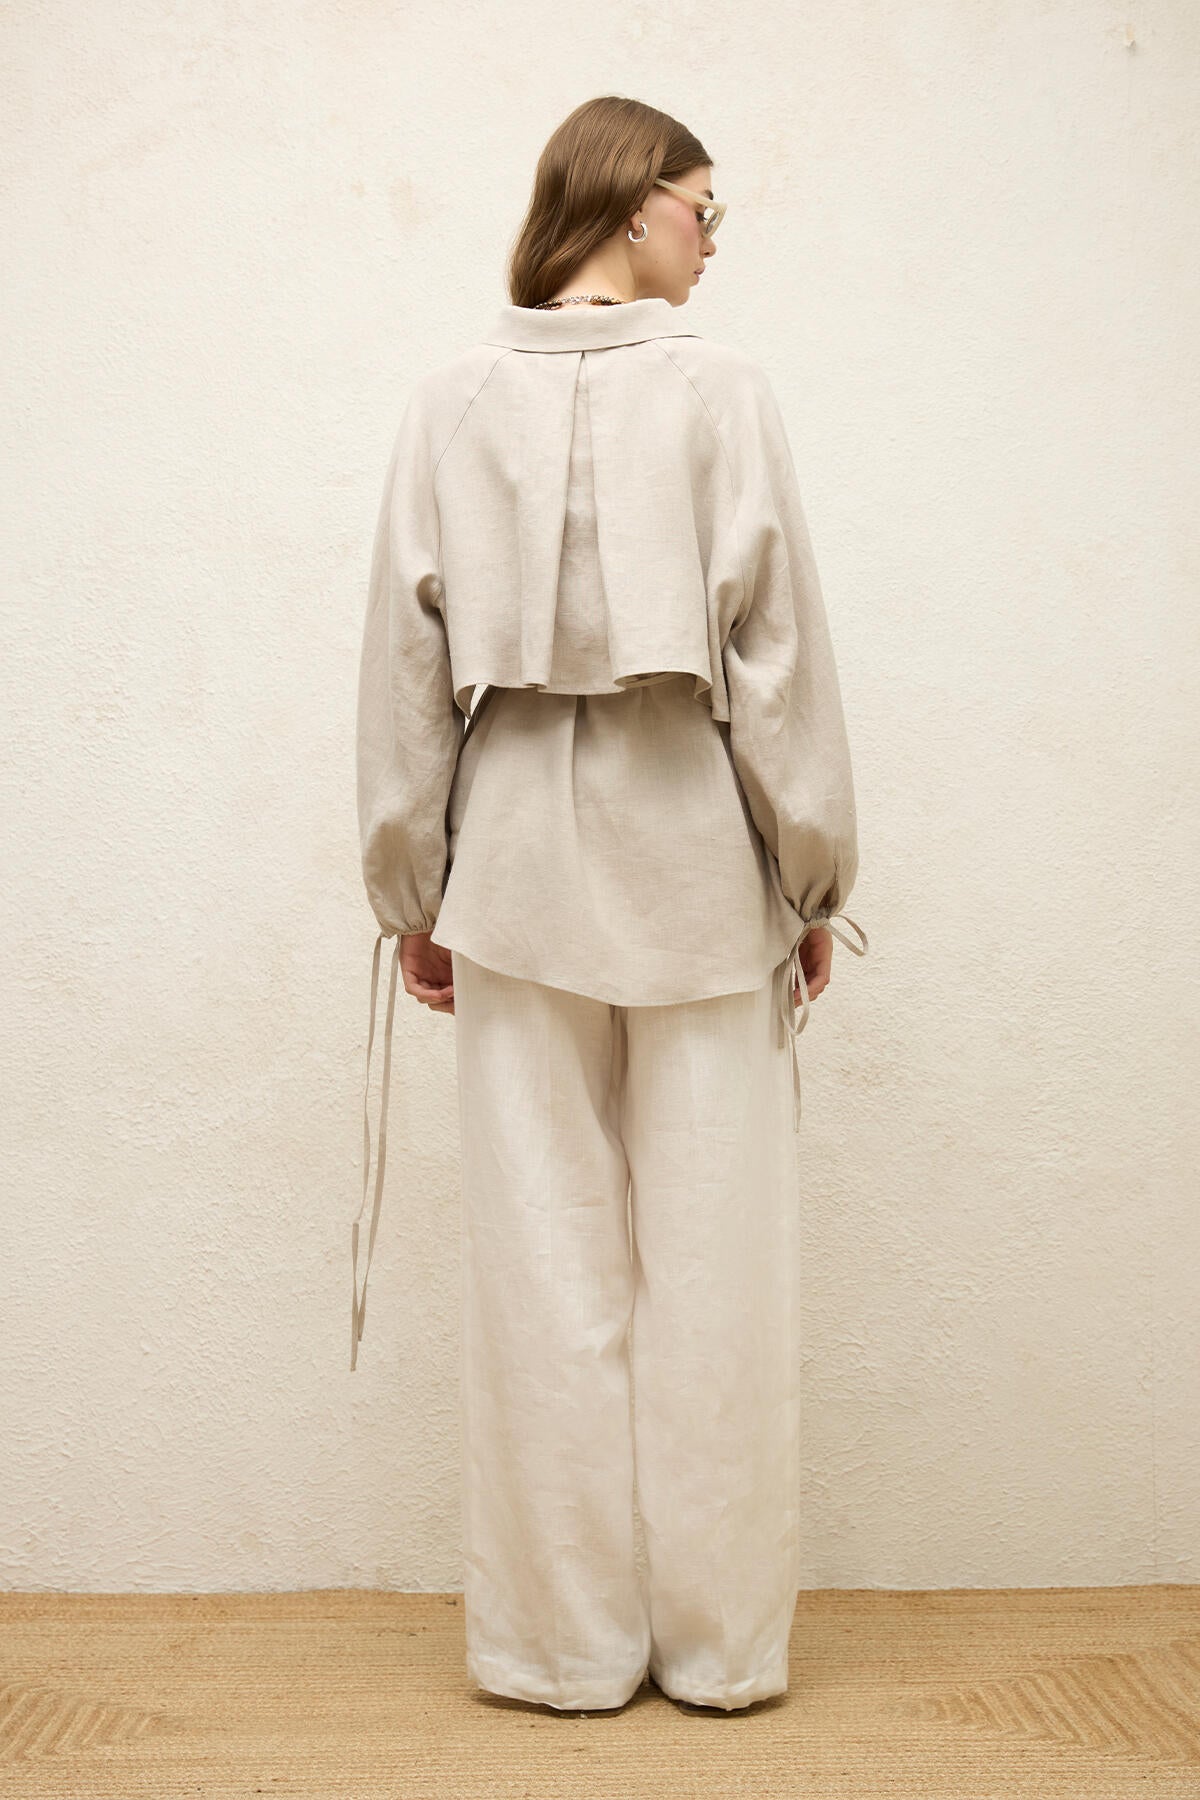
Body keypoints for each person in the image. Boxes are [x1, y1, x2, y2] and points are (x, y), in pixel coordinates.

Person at [351, 95, 869, 1714]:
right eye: (707, 208)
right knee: (720, 1275)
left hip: (511, 879)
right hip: (696, 872)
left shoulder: (448, 402)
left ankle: (558, 1649)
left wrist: (414, 893)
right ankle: (719, 1649)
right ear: (638, 204)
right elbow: (778, 662)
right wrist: (810, 878)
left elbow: (404, 674)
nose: (713, 240)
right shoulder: (724, 392)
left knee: (542, 1272)